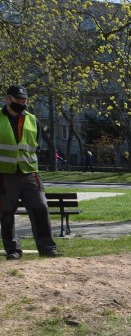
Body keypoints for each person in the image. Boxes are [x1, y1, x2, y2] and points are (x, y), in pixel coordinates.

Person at [0, 85, 59, 260]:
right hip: (4, 175)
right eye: (18, 99)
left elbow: (35, 145)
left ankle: (47, 248)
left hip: (29, 174)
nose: (22, 102)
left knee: (40, 209)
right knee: (6, 214)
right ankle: (13, 250)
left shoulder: (32, 119)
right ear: (7, 99)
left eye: (24, 100)